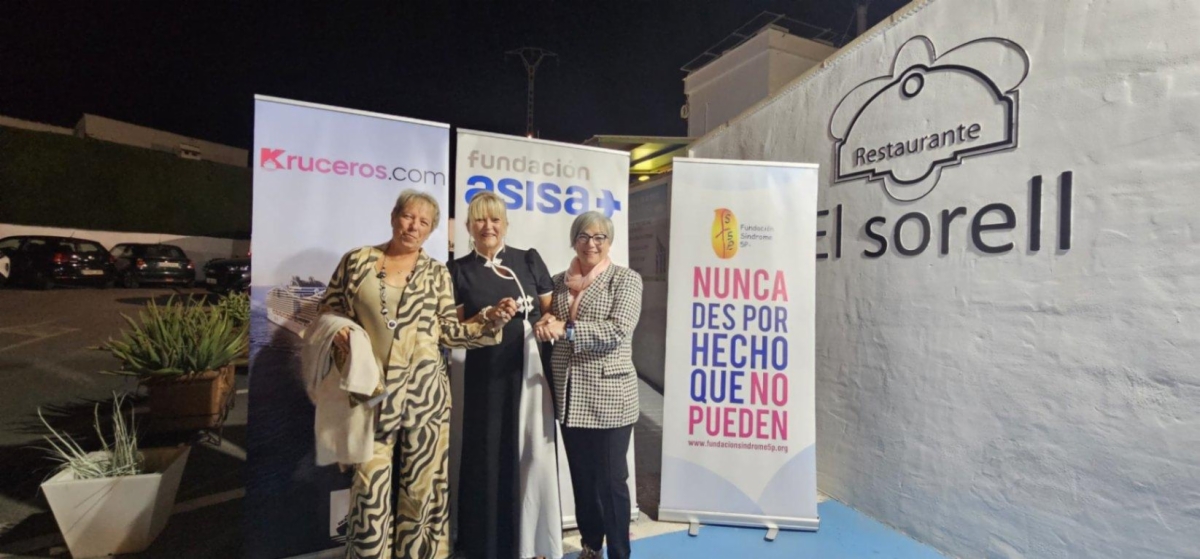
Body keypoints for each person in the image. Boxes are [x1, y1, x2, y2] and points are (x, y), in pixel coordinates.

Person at [320, 189, 519, 559]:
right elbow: (328, 309)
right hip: (370, 393)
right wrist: (339, 330)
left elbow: (449, 331)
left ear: (430, 231)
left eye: (423, 222)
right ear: (393, 216)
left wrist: (488, 320)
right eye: (408, 216)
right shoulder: (357, 261)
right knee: (368, 488)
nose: (413, 226)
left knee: (422, 491)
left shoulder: (437, 273)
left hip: (426, 397)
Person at [449, 191, 562, 559]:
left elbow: (551, 312)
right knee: (487, 453)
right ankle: (486, 544)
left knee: (534, 453)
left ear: (505, 224)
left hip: (530, 372)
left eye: (495, 219)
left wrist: (547, 322)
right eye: (480, 219)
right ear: (469, 226)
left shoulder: (528, 260)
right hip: (485, 376)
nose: (488, 226)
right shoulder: (458, 270)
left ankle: (534, 543)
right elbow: (454, 329)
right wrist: (487, 316)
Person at [535, 211, 642, 559]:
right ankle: (591, 545)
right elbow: (546, 319)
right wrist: (545, 322)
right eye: (583, 236)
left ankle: (620, 553)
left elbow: (618, 329)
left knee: (611, 482)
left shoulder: (625, 280)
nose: (591, 243)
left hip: (611, 396)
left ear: (609, 242)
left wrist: (566, 329)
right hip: (569, 395)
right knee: (582, 479)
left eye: (599, 237)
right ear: (574, 241)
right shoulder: (557, 282)